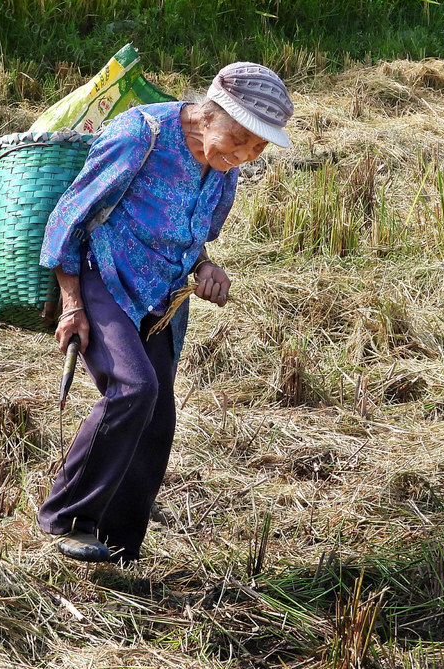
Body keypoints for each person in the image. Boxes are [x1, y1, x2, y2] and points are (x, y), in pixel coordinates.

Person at [36, 62, 294, 563]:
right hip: (103, 276)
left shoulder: (224, 170)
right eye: (239, 137)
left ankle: (116, 545)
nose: (244, 154)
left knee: (157, 417)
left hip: (162, 296)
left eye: (258, 147)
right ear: (208, 113)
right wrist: (72, 305)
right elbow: (69, 215)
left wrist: (207, 268)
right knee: (134, 389)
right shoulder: (142, 133)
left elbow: (195, 239)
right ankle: (68, 518)